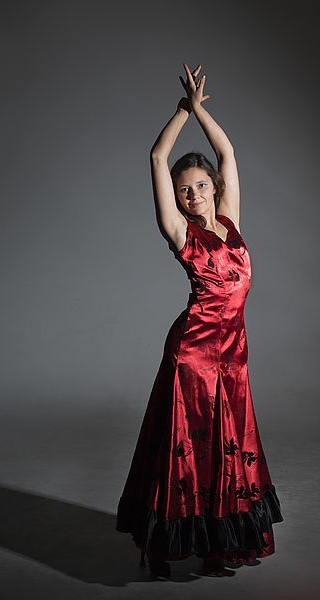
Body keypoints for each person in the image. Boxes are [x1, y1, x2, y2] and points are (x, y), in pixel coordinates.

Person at [115, 63, 283, 579]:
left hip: (234, 358)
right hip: (192, 356)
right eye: (183, 191)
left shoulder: (231, 219)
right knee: (185, 454)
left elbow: (228, 153)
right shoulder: (180, 234)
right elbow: (157, 155)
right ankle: (165, 546)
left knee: (226, 454)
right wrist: (180, 111)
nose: (191, 197)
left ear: (212, 186)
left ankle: (217, 546)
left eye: (198, 187)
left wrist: (202, 109)